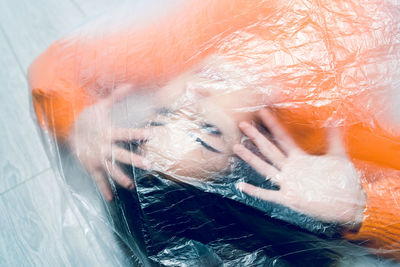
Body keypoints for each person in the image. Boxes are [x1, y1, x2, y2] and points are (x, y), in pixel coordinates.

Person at [29, 0, 400, 260]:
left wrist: (78, 118)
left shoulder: (188, 48)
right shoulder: (340, 130)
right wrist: (362, 210)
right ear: (252, 152)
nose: (193, 94)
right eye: (208, 128)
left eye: (164, 111)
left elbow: (53, 67)